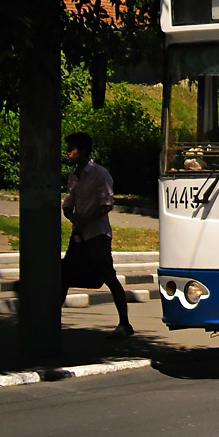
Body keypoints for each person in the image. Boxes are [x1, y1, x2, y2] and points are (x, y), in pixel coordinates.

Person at [60, 132, 132, 339]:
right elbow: (67, 206)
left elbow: (106, 205)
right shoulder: (73, 177)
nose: (68, 153)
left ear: (83, 151)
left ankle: (124, 323)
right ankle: (52, 321)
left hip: (98, 234)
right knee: (63, 275)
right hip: (79, 235)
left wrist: (85, 221)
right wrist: (74, 219)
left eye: (72, 148)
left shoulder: (100, 174)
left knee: (108, 276)